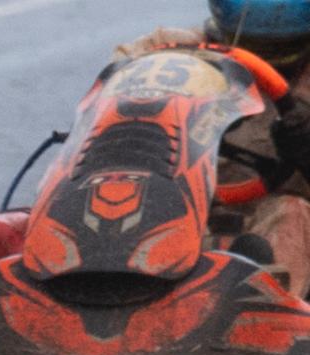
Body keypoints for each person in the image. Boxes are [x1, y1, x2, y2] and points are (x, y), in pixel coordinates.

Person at [114, 0, 310, 297]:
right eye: (254, 45)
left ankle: (260, 326)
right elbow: (106, 110)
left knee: (291, 214)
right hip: (184, 215)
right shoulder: (166, 53)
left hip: (275, 227)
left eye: (282, 47)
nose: (268, 57)